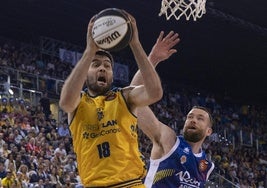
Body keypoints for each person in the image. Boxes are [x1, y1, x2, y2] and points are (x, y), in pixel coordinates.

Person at [59, 10, 163, 187]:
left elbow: (154, 92)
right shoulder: (79, 102)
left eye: (107, 66)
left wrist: (135, 44)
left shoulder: (124, 96)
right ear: (85, 73)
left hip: (130, 183)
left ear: (112, 76)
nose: (102, 68)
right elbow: (66, 102)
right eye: (96, 64)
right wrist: (89, 51)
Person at [130, 33, 215, 187]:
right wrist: (153, 59)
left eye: (200, 118)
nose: (193, 120)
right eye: (190, 117)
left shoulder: (207, 166)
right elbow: (134, 99)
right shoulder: (169, 139)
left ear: (209, 131)